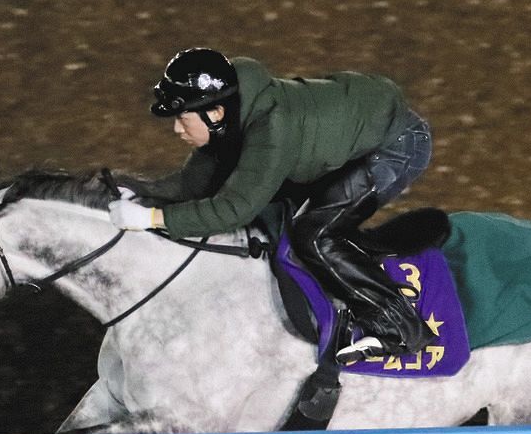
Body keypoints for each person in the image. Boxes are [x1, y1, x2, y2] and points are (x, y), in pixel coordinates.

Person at [108, 47, 435, 364]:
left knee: (315, 236)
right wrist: (140, 191)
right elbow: (194, 184)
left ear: (215, 113)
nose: (178, 129)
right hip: (349, 134)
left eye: (182, 118)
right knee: (281, 209)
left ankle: (401, 329)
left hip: (396, 146)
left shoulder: (271, 129)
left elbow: (234, 209)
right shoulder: (230, 115)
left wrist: (151, 218)